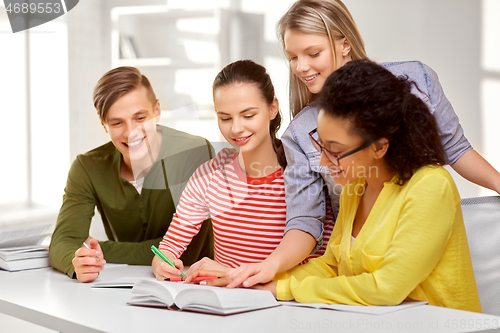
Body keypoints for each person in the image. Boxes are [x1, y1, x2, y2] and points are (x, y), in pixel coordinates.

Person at [228, 0, 500, 288]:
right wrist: (271, 268)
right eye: (292, 57)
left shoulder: (416, 82)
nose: (301, 67)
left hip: (418, 247)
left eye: (313, 53)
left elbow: (456, 150)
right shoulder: (320, 154)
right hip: (358, 263)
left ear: (344, 44)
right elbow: (307, 221)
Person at [255, 60, 482, 312]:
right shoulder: (355, 187)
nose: (322, 161)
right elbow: (329, 266)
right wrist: (257, 281)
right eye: (322, 147)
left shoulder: (431, 186)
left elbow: (386, 288)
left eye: (335, 151)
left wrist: (285, 290)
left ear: (379, 146)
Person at [153, 60, 334, 281]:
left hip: (286, 304)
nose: (236, 128)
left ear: (272, 108)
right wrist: (163, 263)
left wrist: (233, 275)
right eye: (225, 118)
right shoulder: (210, 176)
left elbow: (323, 263)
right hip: (225, 306)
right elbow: (169, 246)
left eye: (248, 115)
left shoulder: (305, 174)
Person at [49, 66, 214, 282]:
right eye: (117, 123)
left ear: (157, 110)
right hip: (123, 287)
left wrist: (104, 250)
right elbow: (63, 240)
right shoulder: (87, 167)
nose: (130, 132)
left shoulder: (193, 152)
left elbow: (190, 249)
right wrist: (78, 261)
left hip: (194, 286)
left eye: (140, 118)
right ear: (103, 124)